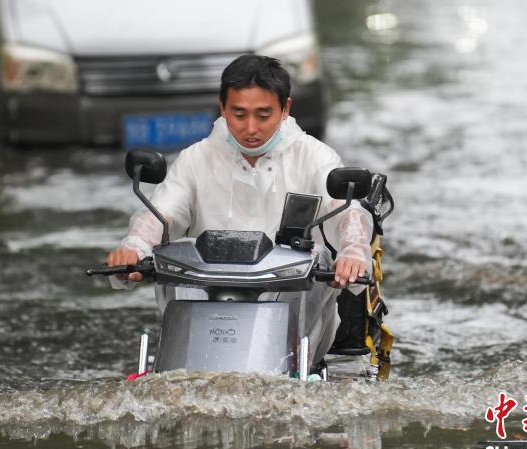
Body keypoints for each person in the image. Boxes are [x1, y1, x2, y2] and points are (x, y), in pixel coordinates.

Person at [107, 54, 373, 364]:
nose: (250, 128)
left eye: (263, 115)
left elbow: (345, 210)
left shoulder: (314, 157)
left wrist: (353, 252)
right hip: (203, 306)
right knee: (173, 249)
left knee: (319, 256)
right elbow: (162, 213)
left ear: (285, 109)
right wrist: (134, 248)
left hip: (293, 311)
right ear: (222, 108)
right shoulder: (196, 159)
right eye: (239, 114)